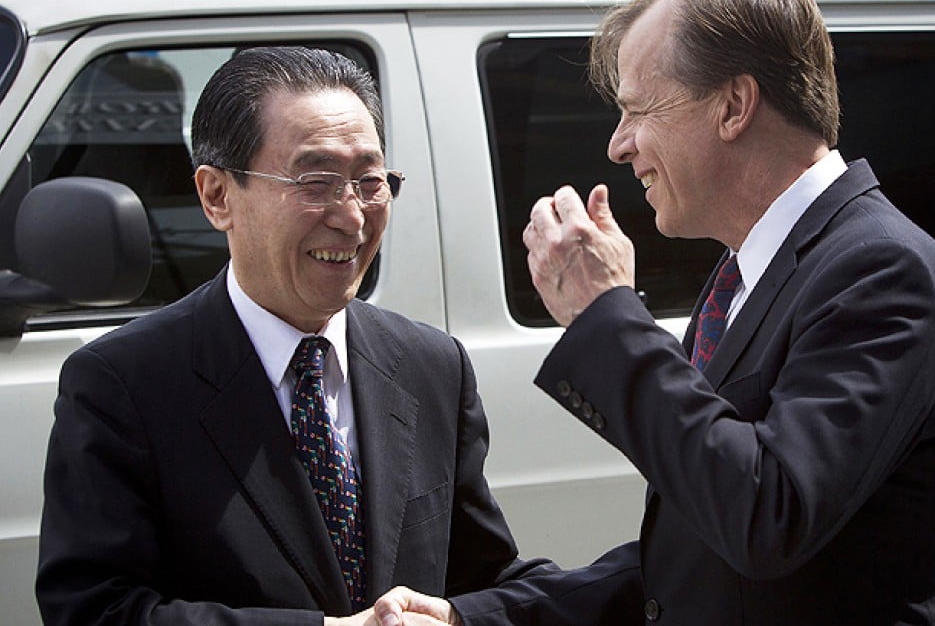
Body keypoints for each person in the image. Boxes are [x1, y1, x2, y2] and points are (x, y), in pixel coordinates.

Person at [374, 0, 935, 625]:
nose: (618, 143)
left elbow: (765, 515)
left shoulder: (882, 270)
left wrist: (607, 317)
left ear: (733, 106)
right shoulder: (742, 276)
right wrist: (475, 617)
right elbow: (693, 552)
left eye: (639, 109)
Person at [35, 46, 551, 626]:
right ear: (217, 196)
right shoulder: (124, 384)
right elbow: (94, 610)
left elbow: (481, 577)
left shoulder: (431, 365)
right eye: (317, 181)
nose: (352, 217)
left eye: (370, 181)